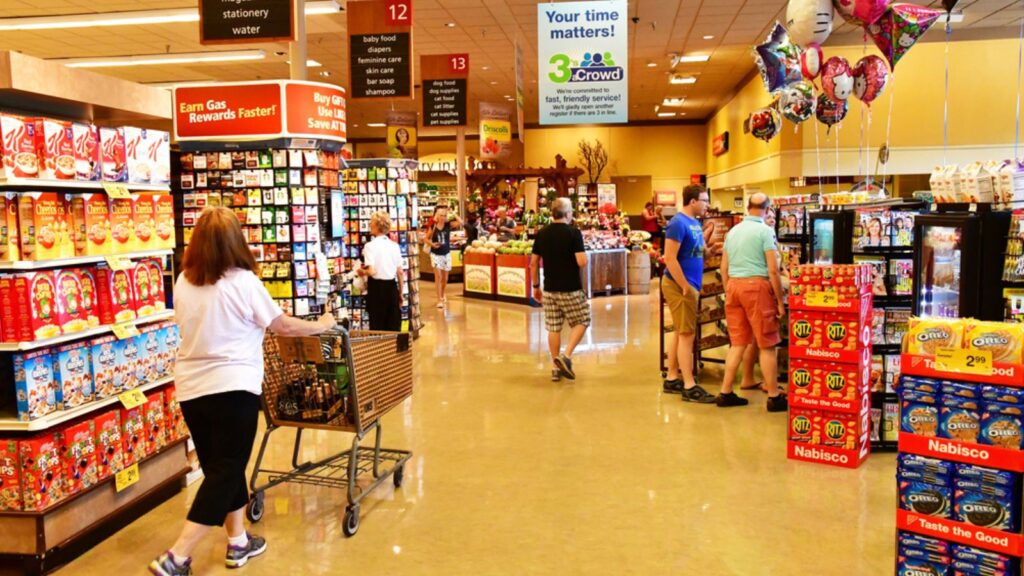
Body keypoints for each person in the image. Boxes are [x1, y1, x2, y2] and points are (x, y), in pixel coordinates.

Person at [150, 207, 334, 576]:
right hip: (234, 388)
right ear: (237, 242)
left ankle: (238, 542)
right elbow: (282, 326)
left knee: (221, 467)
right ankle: (178, 556)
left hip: (191, 390)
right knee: (226, 470)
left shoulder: (184, 282)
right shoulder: (244, 282)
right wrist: (322, 324)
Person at [717, 193, 788, 412]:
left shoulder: (733, 231)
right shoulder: (765, 232)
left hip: (734, 287)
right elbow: (773, 270)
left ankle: (725, 392)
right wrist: (779, 301)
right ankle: (775, 397)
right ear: (767, 209)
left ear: (748, 207)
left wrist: (729, 288)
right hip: (757, 288)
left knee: (738, 343)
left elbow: (723, 268)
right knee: (767, 344)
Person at [662, 185, 716, 403]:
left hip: (689, 284)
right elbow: (670, 257)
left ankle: (673, 376)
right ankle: (689, 385)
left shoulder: (695, 223)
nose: (707, 204)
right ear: (693, 201)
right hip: (680, 285)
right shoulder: (677, 223)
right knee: (687, 335)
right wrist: (684, 285)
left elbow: (695, 250)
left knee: (679, 332)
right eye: (704, 200)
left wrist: (709, 251)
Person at [531, 197, 589, 382]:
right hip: (570, 287)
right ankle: (566, 356)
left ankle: (555, 368)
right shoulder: (573, 233)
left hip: (549, 288)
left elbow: (533, 263)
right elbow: (581, 261)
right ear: (568, 213)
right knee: (582, 319)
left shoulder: (542, 234)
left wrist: (535, 287)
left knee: (554, 327)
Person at [358, 211, 405, 331]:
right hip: (392, 287)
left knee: (377, 325)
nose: (369, 225)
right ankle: (392, 349)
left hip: (377, 289)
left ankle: (380, 349)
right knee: (392, 325)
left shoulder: (370, 246)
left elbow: (372, 271)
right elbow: (400, 272)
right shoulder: (394, 246)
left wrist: (362, 272)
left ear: (377, 226)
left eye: (371, 223)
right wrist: (400, 293)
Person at [429, 205, 462, 308]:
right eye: (441, 215)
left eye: (444, 215)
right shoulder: (433, 226)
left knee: (445, 278)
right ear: (437, 216)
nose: (443, 217)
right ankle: (439, 299)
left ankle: (442, 294)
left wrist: (453, 213)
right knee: (438, 276)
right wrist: (432, 244)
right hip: (435, 254)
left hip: (446, 253)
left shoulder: (448, 225)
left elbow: (461, 222)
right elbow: (426, 239)